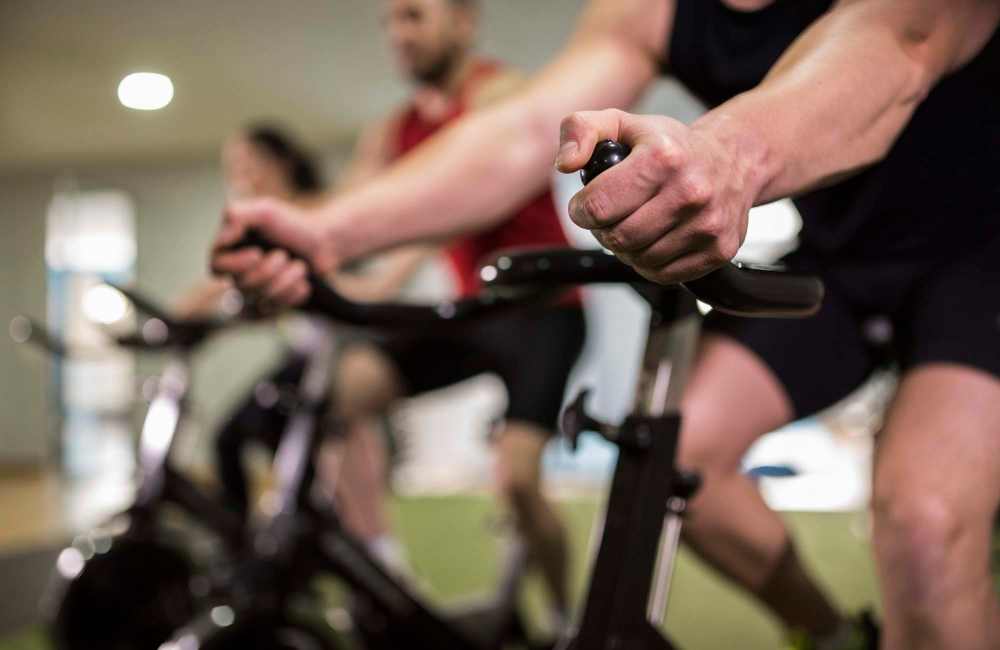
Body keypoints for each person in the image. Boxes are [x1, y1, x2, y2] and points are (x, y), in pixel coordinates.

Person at [212, 1, 1000, 649]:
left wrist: (727, 154)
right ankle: (831, 635)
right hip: (842, 259)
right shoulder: (651, 7)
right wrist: (331, 232)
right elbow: (524, 133)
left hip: (982, 251)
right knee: (678, 469)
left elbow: (901, 38)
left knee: (923, 525)